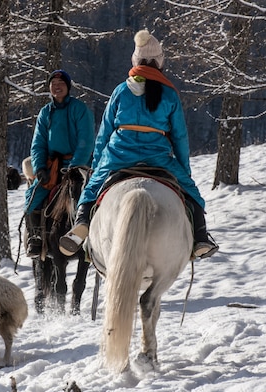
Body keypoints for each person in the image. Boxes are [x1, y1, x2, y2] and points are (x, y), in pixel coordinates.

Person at [59, 29, 218, 259]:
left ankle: (82, 224)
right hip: (158, 158)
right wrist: (184, 170)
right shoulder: (169, 94)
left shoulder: (121, 90)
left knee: (91, 189)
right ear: (159, 62)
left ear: (136, 60)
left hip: (118, 156)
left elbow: (104, 133)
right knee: (193, 195)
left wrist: (96, 166)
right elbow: (180, 138)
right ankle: (201, 238)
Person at [23, 69, 95, 257]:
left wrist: (75, 167)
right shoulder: (45, 113)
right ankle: (36, 237)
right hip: (53, 167)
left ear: (68, 87)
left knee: (90, 197)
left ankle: (93, 240)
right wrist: (39, 168)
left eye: (61, 83)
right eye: (53, 84)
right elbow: (38, 143)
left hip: (78, 167)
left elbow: (86, 141)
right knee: (33, 194)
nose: (57, 86)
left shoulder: (80, 109)